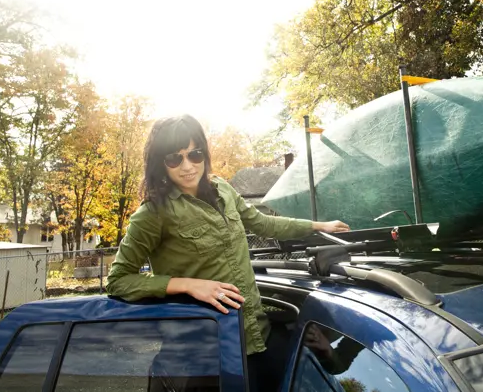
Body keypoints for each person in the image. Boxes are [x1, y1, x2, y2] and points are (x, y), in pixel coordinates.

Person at [106, 114, 350, 392]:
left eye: (195, 154)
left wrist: (318, 226)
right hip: (208, 356)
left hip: (257, 336)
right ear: (161, 163)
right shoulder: (153, 213)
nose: (188, 166)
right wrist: (189, 285)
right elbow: (118, 280)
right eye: (175, 158)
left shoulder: (222, 189)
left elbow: (263, 223)